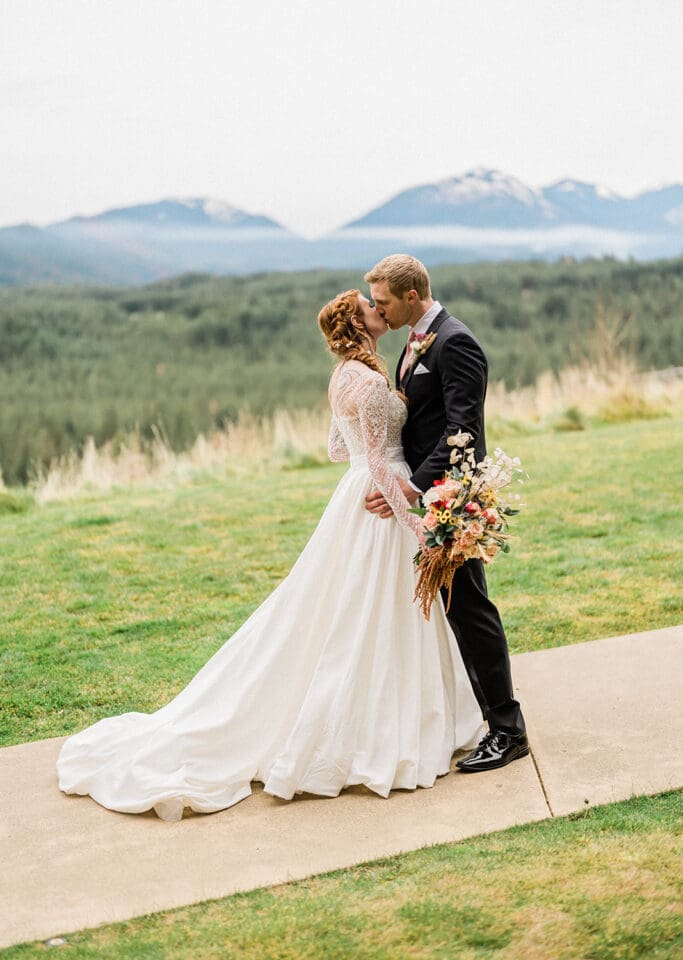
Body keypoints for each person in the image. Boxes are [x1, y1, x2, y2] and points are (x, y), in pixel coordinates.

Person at [56, 288, 483, 820]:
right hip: (381, 501)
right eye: (371, 307)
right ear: (359, 323)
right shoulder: (371, 383)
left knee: (352, 609)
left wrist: (372, 457)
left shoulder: (341, 378)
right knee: (373, 613)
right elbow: (375, 462)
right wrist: (414, 521)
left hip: (355, 496)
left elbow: (337, 449)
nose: (380, 310)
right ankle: (381, 728)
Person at [364, 255, 528, 772]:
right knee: (459, 610)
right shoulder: (416, 340)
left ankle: (508, 731)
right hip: (430, 499)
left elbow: (464, 435)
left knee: (471, 611)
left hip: (451, 499)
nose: (380, 311)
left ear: (412, 296)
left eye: (384, 301)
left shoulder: (455, 342)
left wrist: (410, 488)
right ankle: (481, 717)